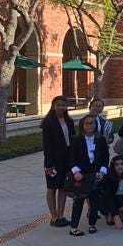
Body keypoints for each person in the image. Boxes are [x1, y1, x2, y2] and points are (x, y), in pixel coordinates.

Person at [68, 114, 109, 236]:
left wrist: (102, 171)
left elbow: (105, 157)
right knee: (78, 201)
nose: (90, 125)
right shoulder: (76, 140)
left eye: (92, 123)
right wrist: (76, 172)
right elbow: (72, 158)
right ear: (82, 125)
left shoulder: (100, 139)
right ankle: (73, 227)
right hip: (81, 175)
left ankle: (92, 224)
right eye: (87, 123)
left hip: (95, 174)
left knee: (94, 201)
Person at [41, 96, 74, 227]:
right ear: (53, 106)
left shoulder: (69, 120)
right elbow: (47, 144)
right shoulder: (48, 122)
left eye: (63, 105)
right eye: (58, 105)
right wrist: (49, 164)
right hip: (53, 159)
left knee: (63, 187)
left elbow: (73, 139)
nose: (61, 107)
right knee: (52, 187)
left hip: (66, 158)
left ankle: (61, 215)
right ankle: (54, 217)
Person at [99, 155, 123, 229]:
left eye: (121, 164)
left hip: (121, 198)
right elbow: (109, 197)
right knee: (111, 219)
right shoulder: (109, 178)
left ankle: (119, 212)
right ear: (113, 166)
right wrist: (116, 217)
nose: (120, 166)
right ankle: (113, 213)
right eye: (116, 164)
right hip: (107, 201)